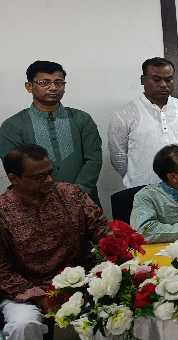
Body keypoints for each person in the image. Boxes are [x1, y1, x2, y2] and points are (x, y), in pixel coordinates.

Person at [0, 145, 107, 340]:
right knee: (24, 325)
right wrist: (41, 297)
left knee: (112, 314)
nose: (49, 180)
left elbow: (102, 231)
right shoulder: (3, 212)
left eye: (50, 172)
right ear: (14, 178)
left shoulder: (71, 194)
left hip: (80, 281)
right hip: (25, 293)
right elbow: (2, 271)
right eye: (39, 177)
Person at [0, 61, 102, 202]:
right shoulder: (12, 125)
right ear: (29, 87)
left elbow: (94, 159)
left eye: (59, 82)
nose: (53, 87)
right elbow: (15, 169)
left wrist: (76, 193)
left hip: (84, 201)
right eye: (44, 82)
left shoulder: (82, 119)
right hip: (34, 204)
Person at [108, 57, 178, 188]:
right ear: (143, 80)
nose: (163, 84)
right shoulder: (124, 115)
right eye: (156, 79)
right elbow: (118, 157)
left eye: (168, 79)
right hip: (142, 189)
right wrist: (136, 178)